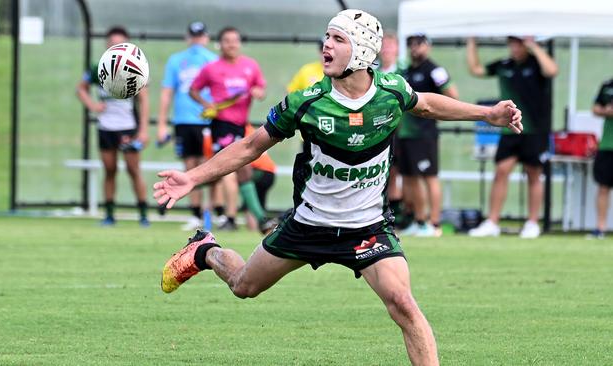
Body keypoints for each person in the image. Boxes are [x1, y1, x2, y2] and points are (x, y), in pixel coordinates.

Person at [155, 9, 522, 365]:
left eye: (337, 38)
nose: (325, 45)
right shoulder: (306, 103)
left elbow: (425, 105)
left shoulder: (391, 91)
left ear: (362, 50)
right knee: (243, 286)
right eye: (326, 37)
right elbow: (251, 147)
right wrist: (192, 177)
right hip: (309, 226)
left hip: (367, 229)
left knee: (404, 305)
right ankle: (205, 251)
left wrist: (488, 114)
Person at [466, 36, 558, 238]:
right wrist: (472, 42)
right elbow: (476, 70)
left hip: (535, 130)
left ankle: (532, 223)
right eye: (512, 43)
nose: (515, 48)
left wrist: (534, 46)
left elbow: (552, 70)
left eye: (519, 43)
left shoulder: (537, 63)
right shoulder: (504, 65)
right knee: (501, 171)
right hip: (510, 129)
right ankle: (492, 222)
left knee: (534, 174)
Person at [189, 26, 274, 233]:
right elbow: (193, 90)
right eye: (227, 41)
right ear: (220, 44)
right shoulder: (212, 68)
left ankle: (187, 188)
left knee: (230, 172)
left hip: (240, 126)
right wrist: (206, 104)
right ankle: (238, 217)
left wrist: (258, 92)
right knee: (237, 168)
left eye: (235, 40)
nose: (232, 44)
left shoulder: (250, 66)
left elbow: (261, 89)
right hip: (221, 125)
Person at [76, 26, 150, 227]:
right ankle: (109, 214)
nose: (114, 46)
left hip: (128, 127)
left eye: (119, 43)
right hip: (106, 127)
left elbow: (144, 99)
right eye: (111, 43)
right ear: (106, 45)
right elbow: (80, 89)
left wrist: (143, 129)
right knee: (109, 170)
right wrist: (92, 105)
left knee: (133, 170)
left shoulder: (135, 67)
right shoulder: (98, 67)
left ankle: (143, 214)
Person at [157, 21, 218, 230]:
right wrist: (162, 125)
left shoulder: (212, 60)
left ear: (207, 38)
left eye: (200, 36)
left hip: (206, 122)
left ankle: (211, 211)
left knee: (209, 166)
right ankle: (195, 213)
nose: (197, 40)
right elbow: (167, 93)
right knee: (189, 167)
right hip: (183, 121)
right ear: (187, 38)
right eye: (193, 36)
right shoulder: (176, 61)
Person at [399, 34, 459, 237]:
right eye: (411, 44)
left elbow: (453, 96)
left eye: (419, 44)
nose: (414, 48)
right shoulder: (406, 71)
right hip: (406, 134)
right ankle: (419, 219)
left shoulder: (434, 70)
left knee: (429, 176)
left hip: (424, 134)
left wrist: (439, 113)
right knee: (411, 178)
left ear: (428, 46)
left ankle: (434, 224)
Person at [378, 31, 410, 229]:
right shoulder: (375, 72)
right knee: (387, 172)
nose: (387, 50)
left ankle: (407, 213)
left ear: (397, 49)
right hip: (381, 131)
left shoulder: (404, 71)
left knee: (403, 172)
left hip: (402, 131)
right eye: (384, 46)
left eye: (390, 46)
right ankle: (389, 212)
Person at [590, 79, 613, 239]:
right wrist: (606, 111)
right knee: (603, 187)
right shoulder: (607, 85)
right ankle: (600, 228)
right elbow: (595, 108)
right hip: (607, 145)